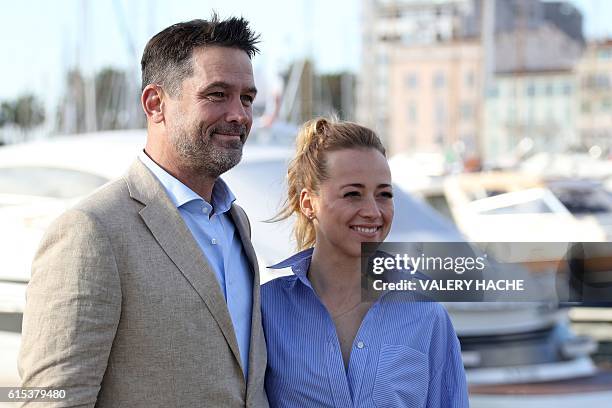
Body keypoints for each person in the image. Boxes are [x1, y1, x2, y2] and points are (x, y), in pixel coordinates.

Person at [19, 16, 269, 407]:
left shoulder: (236, 223)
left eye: (247, 98)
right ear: (156, 104)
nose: (239, 114)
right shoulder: (92, 230)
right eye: (217, 94)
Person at [262, 118, 469, 407]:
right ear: (308, 204)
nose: (372, 211)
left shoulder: (426, 314)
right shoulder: (266, 309)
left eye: (384, 194)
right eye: (353, 194)